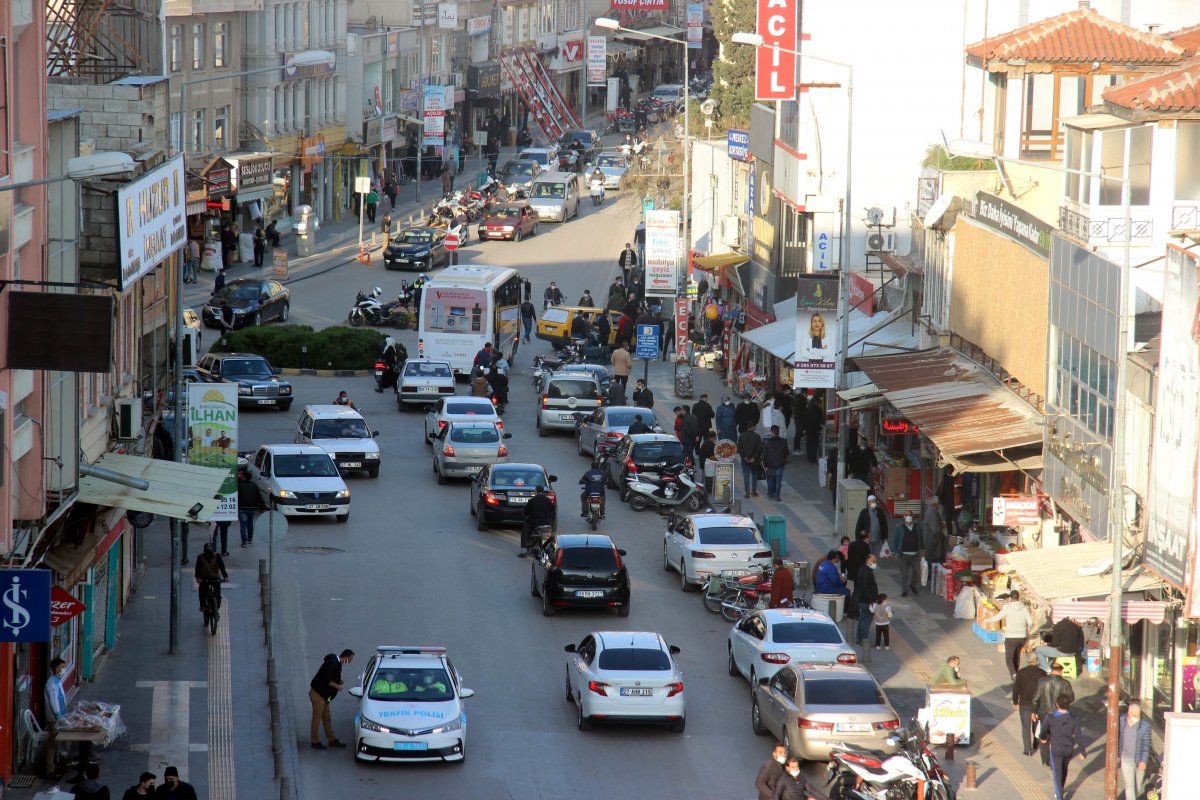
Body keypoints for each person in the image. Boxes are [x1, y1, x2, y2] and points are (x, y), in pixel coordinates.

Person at [1041, 695, 1086, 800]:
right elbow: (1079, 735)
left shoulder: (1050, 717)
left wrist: (1043, 738)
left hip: (1056, 749)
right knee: (1064, 770)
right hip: (1068, 749)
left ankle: (1059, 796)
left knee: (1057, 774)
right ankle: (1060, 790)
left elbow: (1043, 730)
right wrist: (1082, 752)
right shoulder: (1073, 719)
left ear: (1057, 704)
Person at [983, 590, 1035, 679]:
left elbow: (997, 618)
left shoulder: (1007, 608)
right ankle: (1016, 672)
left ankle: (1013, 674)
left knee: (1009, 658)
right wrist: (1028, 629)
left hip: (1010, 637)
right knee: (1017, 655)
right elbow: (1030, 621)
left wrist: (986, 620)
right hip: (1021, 637)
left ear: (1010, 598)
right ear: (1018, 597)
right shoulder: (1024, 608)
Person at [309, 649, 354, 749]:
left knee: (327, 717)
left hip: (324, 696)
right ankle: (314, 741)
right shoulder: (333, 664)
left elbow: (330, 676)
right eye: (350, 659)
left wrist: (338, 681)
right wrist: (337, 686)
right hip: (318, 694)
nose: (350, 662)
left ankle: (332, 739)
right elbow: (327, 679)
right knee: (317, 718)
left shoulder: (336, 663)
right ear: (345, 657)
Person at [1034, 662, 1076, 766]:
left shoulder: (1042, 681)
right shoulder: (1065, 683)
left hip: (1044, 713)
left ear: (1052, 669)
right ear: (1060, 670)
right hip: (1059, 714)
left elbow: (1035, 698)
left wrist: (1034, 711)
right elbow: (1071, 697)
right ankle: (1055, 760)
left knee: (1043, 737)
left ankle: (1045, 760)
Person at [1013, 653, 1046, 756]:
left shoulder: (1021, 673)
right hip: (1038, 704)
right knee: (1037, 725)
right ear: (1036, 660)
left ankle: (1027, 750)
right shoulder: (1042, 673)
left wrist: (1015, 701)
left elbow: (1016, 689)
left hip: (1024, 704)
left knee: (1025, 727)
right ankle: (1036, 743)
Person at [1119, 702, 1151, 800]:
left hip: (1139, 760)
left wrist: (1143, 761)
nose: (1137, 718)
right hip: (1126, 758)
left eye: (1138, 715)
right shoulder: (1121, 720)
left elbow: (1146, 745)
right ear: (1129, 712)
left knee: (1137, 786)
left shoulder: (1145, 726)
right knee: (1129, 786)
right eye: (1134, 715)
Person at [888, 513, 924, 597]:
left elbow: (921, 538)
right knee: (904, 573)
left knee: (917, 571)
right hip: (903, 554)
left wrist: (923, 549)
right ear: (904, 517)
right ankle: (904, 590)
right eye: (906, 515)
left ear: (913, 516)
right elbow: (895, 540)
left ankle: (912, 584)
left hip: (915, 554)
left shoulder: (918, 527)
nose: (908, 517)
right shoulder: (899, 527)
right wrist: (893, 551)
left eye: (910, 515)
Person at [44, 657, 68, 777]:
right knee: (52, 742)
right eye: (62, 667)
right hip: (54, 718)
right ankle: (49, 768)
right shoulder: (52, 683)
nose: (64, 669)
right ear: (57, 668)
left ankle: (55, 763)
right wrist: (58, 717)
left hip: (60, 717)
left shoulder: (57, 681)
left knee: (56, 741)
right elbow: (54, 702)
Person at [194, 543, 228, 614]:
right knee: (202, 590)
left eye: (210, 550)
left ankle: (216, 610)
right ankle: (203, 605)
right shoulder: (200, 557)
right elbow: (198, 569)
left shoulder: (217, 556)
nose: (209, 552)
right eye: (207, 550)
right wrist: (198, 577)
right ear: (204, 551)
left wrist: (225, 576)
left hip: (215, 578)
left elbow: (222, 567)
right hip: (204, 578)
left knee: (218, 594)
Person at [521, 485, 556, 554]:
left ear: (536, 491)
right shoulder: (548, 501)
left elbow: (526, 512)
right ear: (543, 492)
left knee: (525, 532)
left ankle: (524, 551)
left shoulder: (532, 501)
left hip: (535, 523)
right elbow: (553, 511)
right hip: (547, 524)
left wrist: (524, 516)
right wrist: (551, 522)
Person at [853, 555, 880, 646]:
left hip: (863, 599)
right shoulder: (865, 572)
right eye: (874, 561)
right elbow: (864, 588)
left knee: (862, 619)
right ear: (868, 560)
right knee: (866, 620)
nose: (875, 563)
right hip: (866, 601)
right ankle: (864, 640)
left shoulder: (865, 569)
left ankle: (859, 638)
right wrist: (870, 601)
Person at [923, 496, 947, 589]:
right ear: (935, 504)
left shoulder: (933, 512)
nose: (939, 505)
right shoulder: (931, 513)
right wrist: (943, 536)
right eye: (938, 503)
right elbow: (935, 530)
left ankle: (932, 575)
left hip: (933, 539)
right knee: (933, 557)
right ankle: (931, 576)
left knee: (933, 557)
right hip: (932, 540)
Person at [762, 425, 789, 500]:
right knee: (778, 481)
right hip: (780, 464)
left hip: (770, 465)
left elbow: (764, 456)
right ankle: (777, 495)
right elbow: (786, 453)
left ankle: (770, 493)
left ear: (771, 432)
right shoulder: (783, 442)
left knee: (770, 479)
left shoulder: (768, 443)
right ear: (778, 432)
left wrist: (765, 465)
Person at [237, 467, 262, 547]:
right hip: (252, 508)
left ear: (244, 477)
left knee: (243, 525)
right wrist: (263, 506)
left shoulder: (239, 486)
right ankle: (250, 539)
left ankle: (244, 542)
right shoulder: (254, 485)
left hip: (242, 509)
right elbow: (259, 497)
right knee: (250, 523)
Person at [737, 424, 764, 497]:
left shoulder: (741, 436)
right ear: (753, 427)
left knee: (746, 476)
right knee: (754, 475)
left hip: (744, 460)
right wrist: (754, 458)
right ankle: (754, 491)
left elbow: (739, 448)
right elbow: (759, 449)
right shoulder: (757, 436)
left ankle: (747, 493)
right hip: (754, 461)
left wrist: (745, 457)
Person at [803, 395, 824, 463]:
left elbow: (805, 417)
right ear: (818, 403)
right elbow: (819, 419)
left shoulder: (808, 408)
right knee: (814, 445)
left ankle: (809, 457)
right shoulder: (818, 410)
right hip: (815, 430)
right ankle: (813, 458)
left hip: (808, 429)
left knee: (809, 444)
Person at [791, 389, 808, 453]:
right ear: (804, 393)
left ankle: (797, 447)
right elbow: (800, 410)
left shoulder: (797, 398)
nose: (807, 395)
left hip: (798, 418)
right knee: (798, 433)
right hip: (799, 418)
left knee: (798, 433)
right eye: (806, 393)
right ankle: (796, 448)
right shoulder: (800, 399)